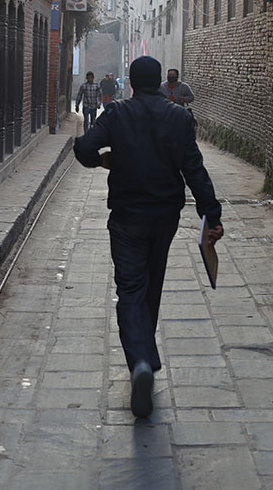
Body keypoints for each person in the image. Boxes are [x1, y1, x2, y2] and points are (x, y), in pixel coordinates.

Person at [73, 55, 223, 418]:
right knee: (152, 284)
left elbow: (83, 148)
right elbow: (194, 168)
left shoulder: (118, 114)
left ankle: (140, 360)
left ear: (131, 82)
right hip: (164, 216)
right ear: (159, 81)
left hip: (127, 216)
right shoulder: (178, 117)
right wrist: (211, 213)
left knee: (129, 288)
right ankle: (146, 355)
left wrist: (105, 161)